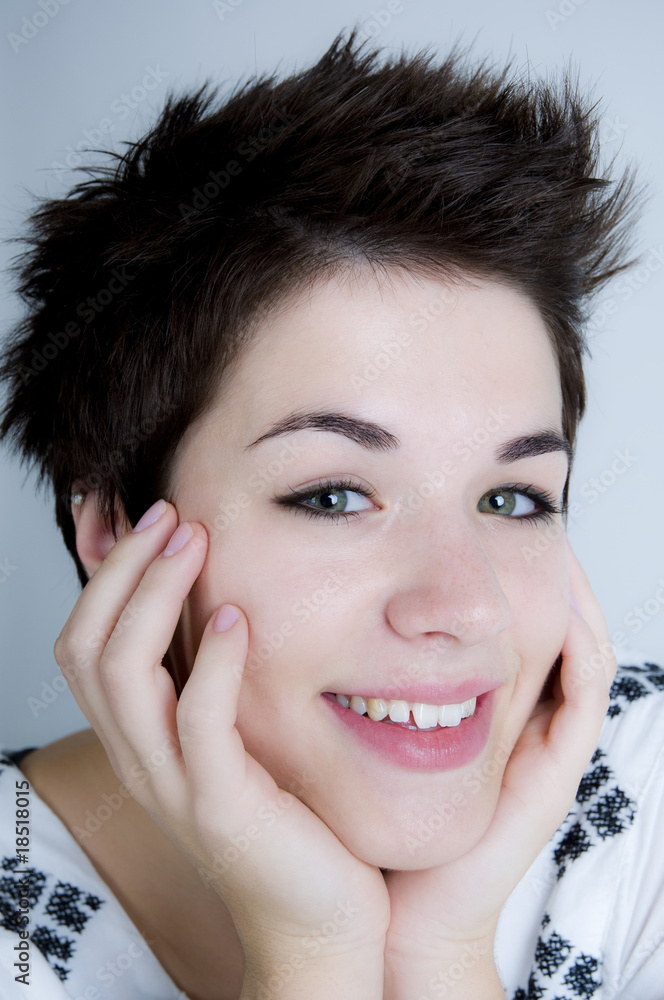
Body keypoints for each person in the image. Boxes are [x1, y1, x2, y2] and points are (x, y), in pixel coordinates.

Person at [0, 28, 662, 1000]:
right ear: (115, 531)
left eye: (511, 498)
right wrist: (311, 957)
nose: (463, 605)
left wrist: (441, 956)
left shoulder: (643, 790)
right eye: (334, 496)